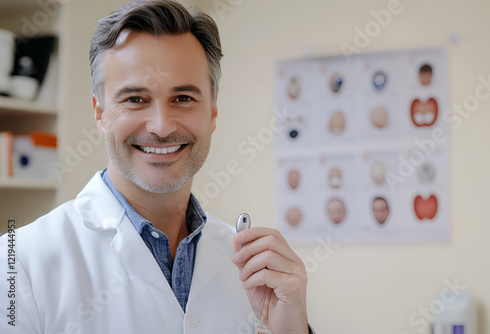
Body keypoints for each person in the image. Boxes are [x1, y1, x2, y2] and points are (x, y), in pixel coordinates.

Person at [0, 1, 314, 333]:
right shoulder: (18, 266)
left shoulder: (254, 272)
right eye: (135, 99)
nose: (162, 127)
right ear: (100, 113)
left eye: (183, 98)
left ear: (213, 112)